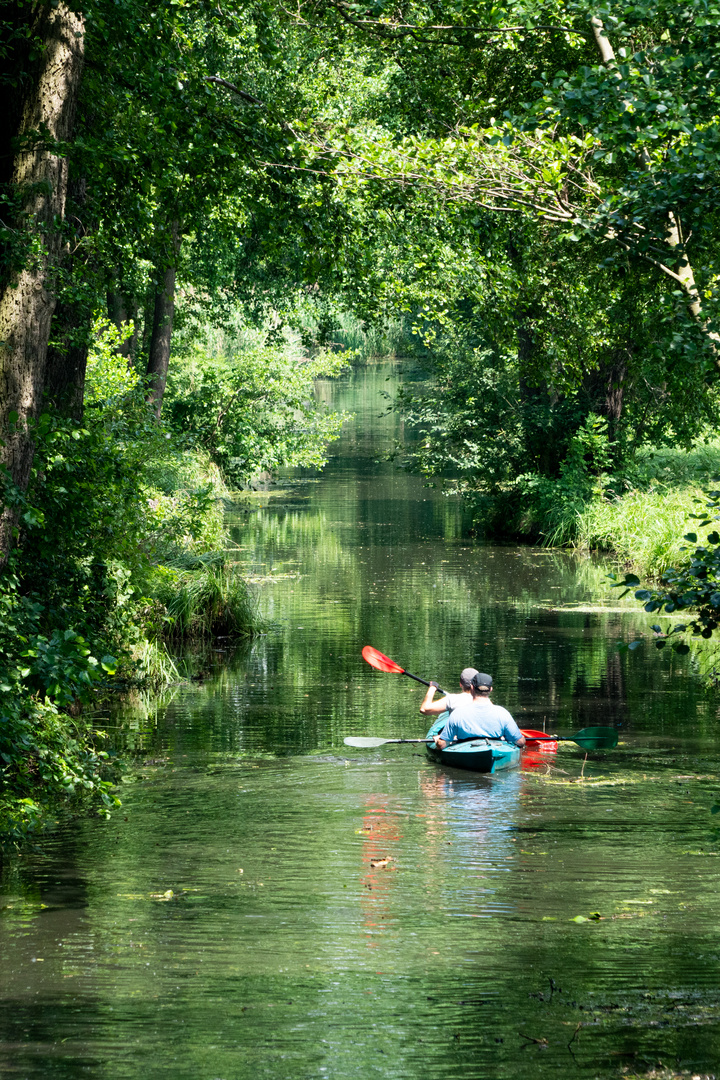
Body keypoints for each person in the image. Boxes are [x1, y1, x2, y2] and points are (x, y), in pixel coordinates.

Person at [419, 669, 525, 749]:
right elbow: (520, 742)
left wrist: (438, 740)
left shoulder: (457, 714)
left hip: (463, 747)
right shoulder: (502, 713)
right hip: (494, 747)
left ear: (472, 688)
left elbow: (442, 745)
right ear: (491, 689)